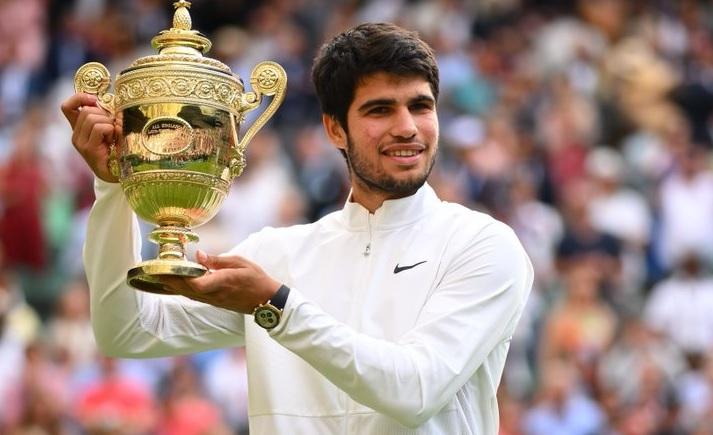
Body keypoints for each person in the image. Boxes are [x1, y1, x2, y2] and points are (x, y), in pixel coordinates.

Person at [61, 22, 533, 434]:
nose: (407, 127)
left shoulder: (483, 245)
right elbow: (127, 332)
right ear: (334, 129)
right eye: (380, 110)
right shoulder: (278, 255)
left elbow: (414, 391)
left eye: (420, 106)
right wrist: (113, 190)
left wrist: (275, 307)